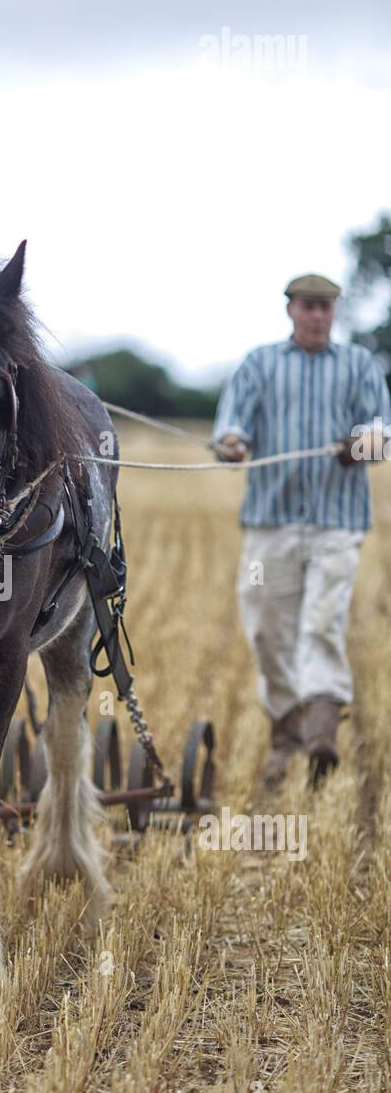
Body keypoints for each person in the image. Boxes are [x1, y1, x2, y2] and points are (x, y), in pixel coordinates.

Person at [212, 273, 390, 786]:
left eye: (326, 308)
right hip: (270, 528)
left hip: (337, 526)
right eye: (308, 307)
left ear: (334, 314)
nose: (317, 316)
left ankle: (320, 736)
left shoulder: (360, 365)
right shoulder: (258, 364)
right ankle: (287, 733)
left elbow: (384, 433)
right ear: (290, 309)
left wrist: (362, 444)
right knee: (268, 626)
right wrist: (231, 445)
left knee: (321, 622)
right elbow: (231, 428)